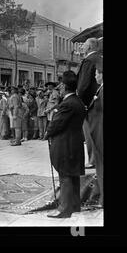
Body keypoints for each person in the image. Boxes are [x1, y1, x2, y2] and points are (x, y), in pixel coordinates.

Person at [45, 71, 87, 218]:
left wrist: (47, 133)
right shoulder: (78, 101)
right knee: (73, 175)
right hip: (75, 143)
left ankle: (65, 209)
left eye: (61, 85)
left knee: (65, 176)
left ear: (64, 86)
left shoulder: (67, 104)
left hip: (65, 145)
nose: (59, 88)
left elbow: (56, 124)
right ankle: (75, 206)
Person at [77, 37, 102, 169]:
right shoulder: (100, 58)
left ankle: (92, 160)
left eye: (84, 45)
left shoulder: (88, 60)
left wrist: (78, 99)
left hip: (89, 103)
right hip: (99, 99)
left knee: (89, 133)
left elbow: (83, 84)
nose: (82, 47)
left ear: (90, 47)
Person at [86, 56, 104, 207]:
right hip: (97, 134)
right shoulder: (100, 88)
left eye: (97, 73)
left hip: (101, 136)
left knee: (102, 168)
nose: (95, 76)